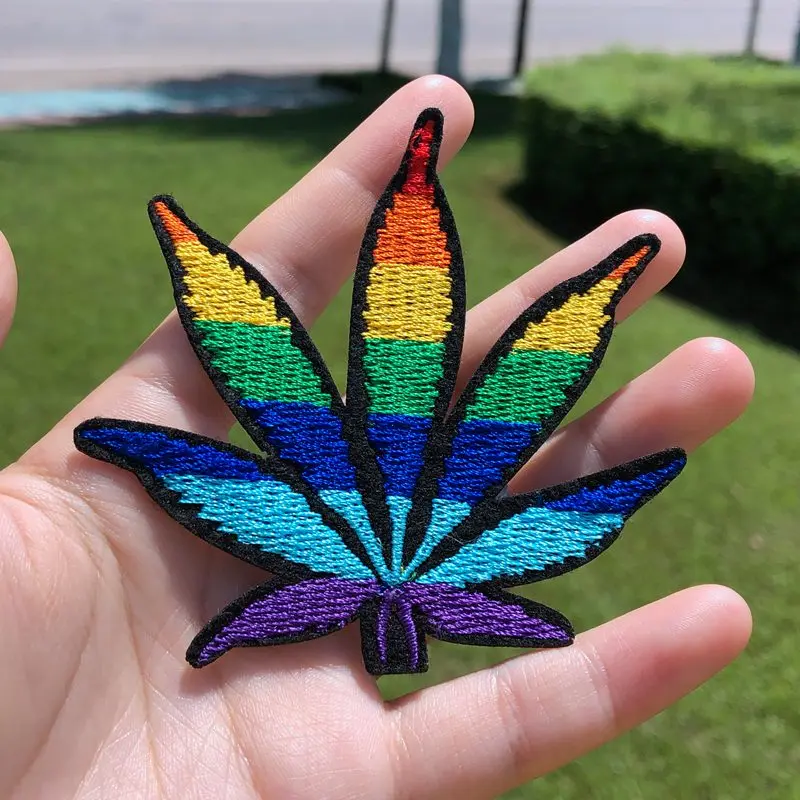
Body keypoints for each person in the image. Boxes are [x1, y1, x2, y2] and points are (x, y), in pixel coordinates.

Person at [0, 76, 753, 799]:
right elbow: (175, 459)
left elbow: (187, 468)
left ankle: (533, 242)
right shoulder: (454, 561)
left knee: (324, 359)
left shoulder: (331, 554)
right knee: (404, 363)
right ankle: (472, 212)